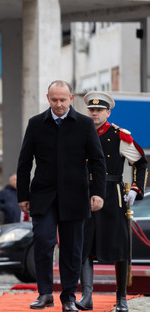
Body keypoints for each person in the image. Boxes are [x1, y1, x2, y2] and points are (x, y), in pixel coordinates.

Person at [17, 80, 106, 312]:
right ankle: (45, 293)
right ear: (48, 98)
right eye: (54, 100)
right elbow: (24, 163)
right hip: (43, 196)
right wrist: (22, 195)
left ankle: (68, 297)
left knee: (72, 248)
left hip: (75, 196)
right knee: (44, 242)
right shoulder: (36, 124)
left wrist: (98, 193)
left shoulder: (85, 124)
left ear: (71, 98)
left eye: (62, 100)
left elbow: (97, 161)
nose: (58, 104)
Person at [75, 91, 147, 312]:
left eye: (99, 110)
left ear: (108, 112)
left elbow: (140, 162)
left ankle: (121, 298)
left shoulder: (119, 136)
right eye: (91, 110)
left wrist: (135, 189)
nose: (94, 113)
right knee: (84, 247)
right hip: (84, 195)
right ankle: (87, 297)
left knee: (119, 248)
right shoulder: (79, 133)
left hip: (111, 195)